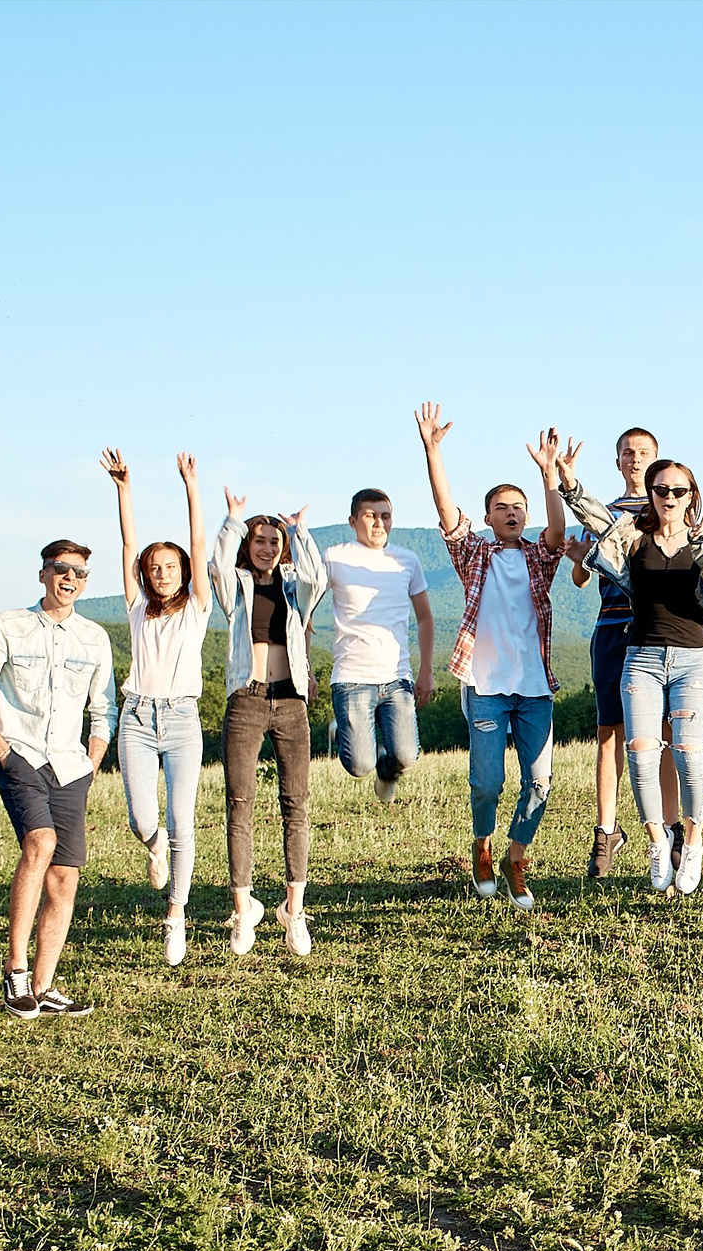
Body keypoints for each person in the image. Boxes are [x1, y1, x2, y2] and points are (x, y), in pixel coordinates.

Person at [560, 446, 703, 895]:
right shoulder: (633, 537)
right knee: (641, 753)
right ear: (651, 494)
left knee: (689, 754)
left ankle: (692, 842)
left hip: (691, 660)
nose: (669, 497)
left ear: (691, 494)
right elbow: (596, 517)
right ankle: (658, 841)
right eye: (661, 490)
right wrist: (568, 484)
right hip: (640, 657)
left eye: (679, 490)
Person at [0, 541, 116, 1018]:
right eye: (61, 569)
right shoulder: (8, 625)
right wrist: (1, 751)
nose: (70, 579)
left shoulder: (94, 638)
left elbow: (103, 709)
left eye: (79, 573)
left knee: (65, 877)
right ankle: (16, 972)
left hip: (71, 767)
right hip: (20, 756)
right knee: (40, 843)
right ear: (43, 573)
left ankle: (44, 988)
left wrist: (91, 765)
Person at [419, 404, 565, 911]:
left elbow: (557, 532)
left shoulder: (539, 557)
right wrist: (433, 451)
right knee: (487, 782)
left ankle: (514, 858)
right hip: (485, 686)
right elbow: (446, 512)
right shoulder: (475, 554)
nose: (511, 513)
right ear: (488, 518)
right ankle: (482, 847)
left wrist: (549, 474)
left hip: (535, 688)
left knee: (539, 782)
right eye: (502, 507)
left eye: (518, 507)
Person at [100, 450, 209, 966]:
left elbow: (199, 543)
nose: (162, 573)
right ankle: (153, 843)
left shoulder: (198, 608)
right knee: (142, 818)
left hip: (183, 719)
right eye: (154, 568)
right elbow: (127, 544)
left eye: (171, 567)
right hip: (138, 718)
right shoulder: (137, 607)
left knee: (183, 821)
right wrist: (124, 488)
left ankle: (176, 916)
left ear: (183, 571)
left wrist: (191, 485)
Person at [209, 492, 325, 956]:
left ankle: (294, 910)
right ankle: (244, 909)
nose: (267, 548)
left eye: (274, 542)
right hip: (247, 698)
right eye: (259, 540)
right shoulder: (237, 587)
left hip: (291, 700)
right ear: (248, 545)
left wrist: (299, 530)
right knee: (240, 804)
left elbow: (317, 578)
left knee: (296, 804)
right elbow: (217, 568)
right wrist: (233, 520)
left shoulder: (294, 586)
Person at [566, 428, 679, 876]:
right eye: (628, 453)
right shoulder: (602, 512)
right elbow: (580, 578)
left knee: (665, 731)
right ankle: (606, 830)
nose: (635, 459)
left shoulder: (667, 508)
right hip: (612, 627)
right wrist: (580, 557)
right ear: (617, 462)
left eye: (643, 452)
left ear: (656, 459)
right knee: (609, 732)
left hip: (658, 629)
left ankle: (670, 827)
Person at [316, 487, 435, 805]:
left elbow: (425, 617)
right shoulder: (334, 557)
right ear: (353, 521)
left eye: (386, 516)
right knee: (359, 765)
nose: (379, 523)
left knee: (407, 756)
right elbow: (306, 609)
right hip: (351, 677)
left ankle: (386, 769)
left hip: (397, 678)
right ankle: (345, 732)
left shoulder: (406, 561)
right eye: (371, 516)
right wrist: (306, 666)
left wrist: (426, 670)